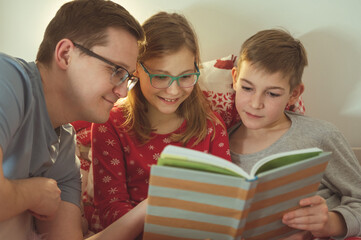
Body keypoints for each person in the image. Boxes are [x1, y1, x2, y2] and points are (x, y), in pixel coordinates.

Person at [0, 0, 147, 239]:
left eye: (128, 77)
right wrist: (35, 193)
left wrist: (147, 209)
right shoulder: (7, 79)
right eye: (116, 71)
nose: (123, 92)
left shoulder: (65, 148)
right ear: (66, 54)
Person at [90, 11, 231, 233]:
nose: (173, 90)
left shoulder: (211, 125)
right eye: (161, 76)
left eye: (185, 76)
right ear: (137, 67)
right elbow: (111, 208)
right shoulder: (110, 124)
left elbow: (224, 198)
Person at [229, 28, 361, 239]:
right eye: (247, 88)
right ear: (235, 78)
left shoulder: (319, 136)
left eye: (272, 93)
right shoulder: (219, 142)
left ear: (294, 94)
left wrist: (331, 223)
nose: (256, 104)